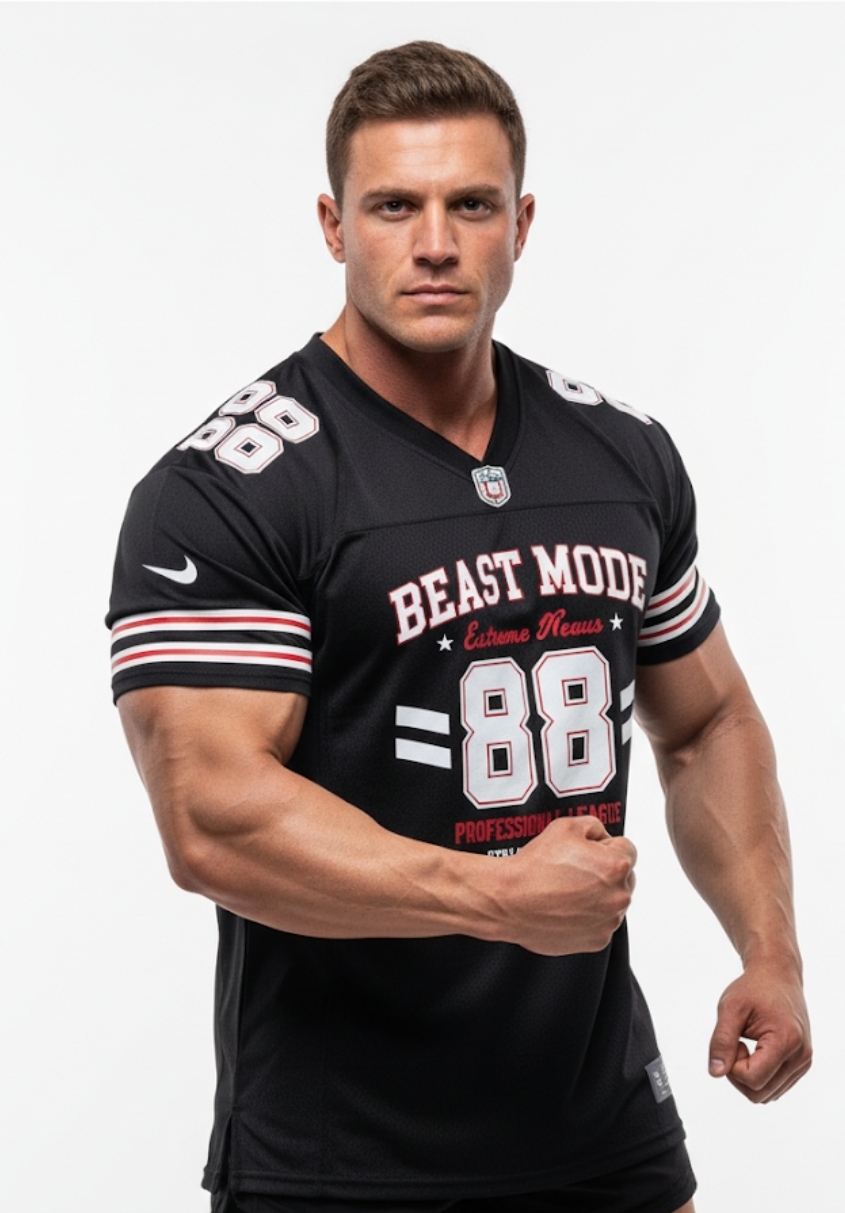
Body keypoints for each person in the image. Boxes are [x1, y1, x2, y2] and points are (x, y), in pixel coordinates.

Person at [107, 41, 811, 1213]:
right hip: (343, 1158)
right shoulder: (230, 487)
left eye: (470, 205)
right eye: (394, 205)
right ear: (333, 226)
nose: (434, 242)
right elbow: (211, 817)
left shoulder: (619, 455)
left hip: (600, 1129)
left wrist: (769, 953)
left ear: (520, 223)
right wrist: (492, 896)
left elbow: (705, 723)